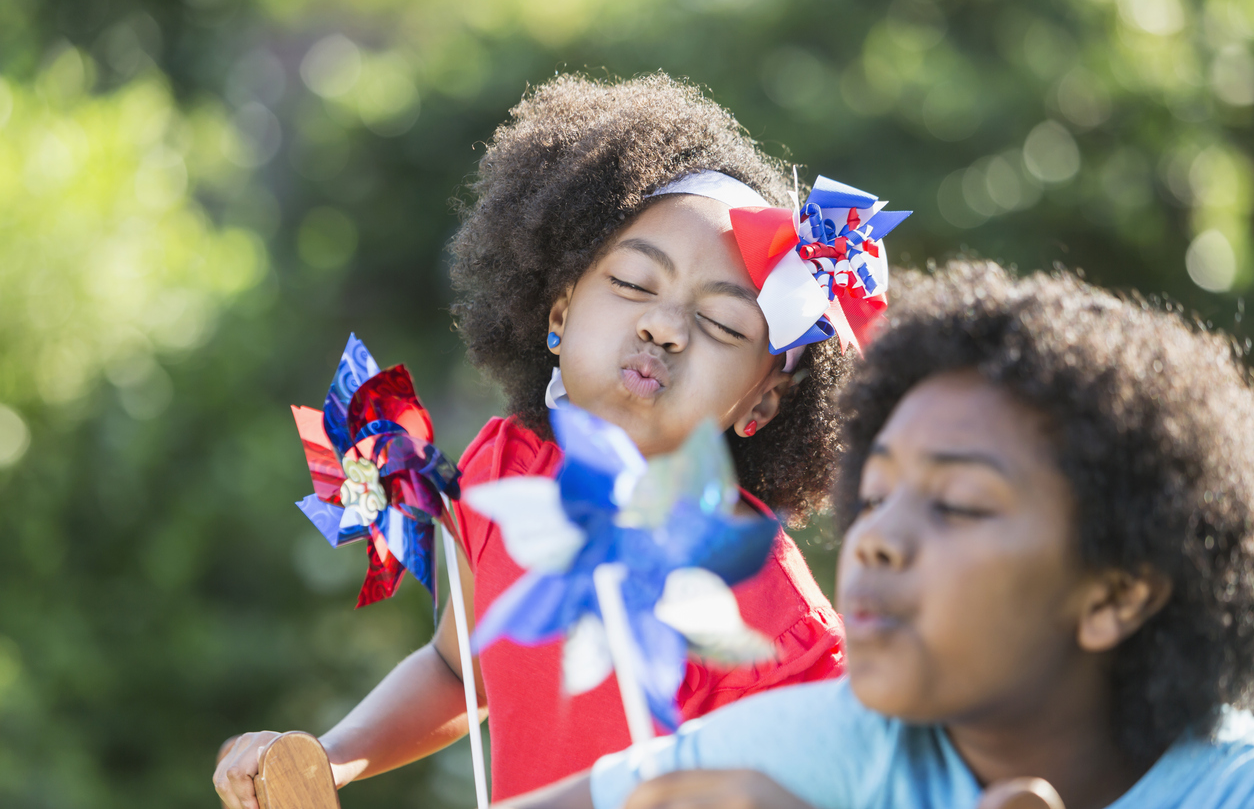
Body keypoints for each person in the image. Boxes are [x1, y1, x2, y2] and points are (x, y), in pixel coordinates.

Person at [215, 73, 866, 807]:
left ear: (763, 404)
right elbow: (461, 672)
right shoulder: (500, 474)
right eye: (632, 284)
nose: (664, 327)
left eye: (721, 324)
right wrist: (326, 761)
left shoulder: (775, 618)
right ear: (558, 312)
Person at [497, 261, 1254, 809]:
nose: (874, 540)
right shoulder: (836, 740)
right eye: (878, 493)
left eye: (957, 502)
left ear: (1114, 596)